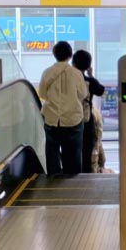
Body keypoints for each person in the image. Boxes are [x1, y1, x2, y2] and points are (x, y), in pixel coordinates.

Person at [38, 41, 87, 176]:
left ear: (54, 54)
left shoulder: (47, 73)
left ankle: (54, 180)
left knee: (52, 153)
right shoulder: (76, 73)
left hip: (52, 119)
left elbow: (42, 94)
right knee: (73, 154)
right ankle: (72, 181)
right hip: (72, 119)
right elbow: (83, 94)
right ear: (70, 55)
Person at [73, 49, 106, 174]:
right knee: (87, 152)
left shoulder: (68, 81)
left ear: (73, 64)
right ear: (88, 66)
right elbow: (100, 90)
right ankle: (86, 177)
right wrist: (91, 75)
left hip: (69, 121)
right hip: (86, 121)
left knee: (71, 152)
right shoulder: (89, 81)